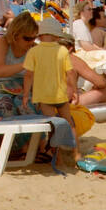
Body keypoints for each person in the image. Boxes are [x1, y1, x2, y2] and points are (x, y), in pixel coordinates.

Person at [21, 18, 79, 161]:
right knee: (69, 123)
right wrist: (75, 90)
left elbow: (28, 75)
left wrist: (26, 94)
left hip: (44, 97)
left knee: (53, 127)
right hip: (61, 96)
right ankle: (77, 153)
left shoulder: (34, 52)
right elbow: (70, 73)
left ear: (40, 35)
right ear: (57, 35)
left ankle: (57, 157)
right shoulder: (62, 51)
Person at [0, 12, 39, 118]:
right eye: (27, 38)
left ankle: (30, 134)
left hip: (23, 87)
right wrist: (25, 64)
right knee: (6, 107)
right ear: (15, 35)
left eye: (34, 38)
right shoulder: (3, 43)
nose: (31, 42)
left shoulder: (33, 48)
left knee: (28, 109)